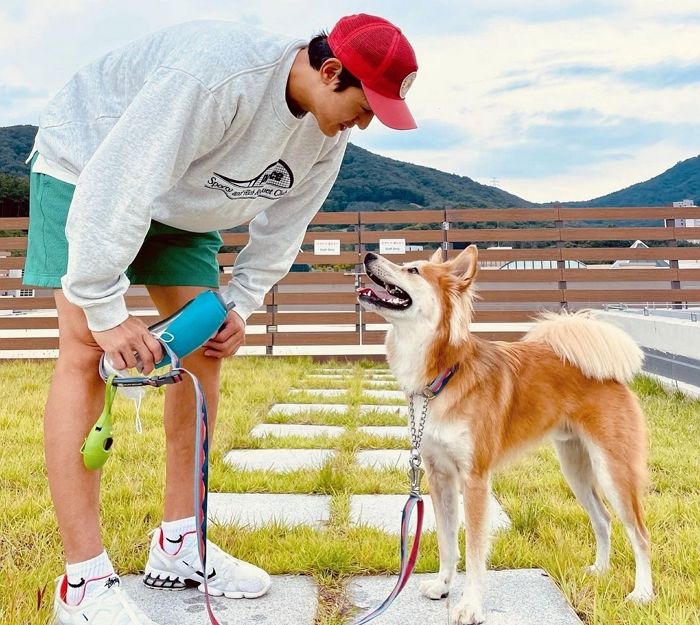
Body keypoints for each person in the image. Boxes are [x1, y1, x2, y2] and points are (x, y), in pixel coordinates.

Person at [23, 12, 418, 625]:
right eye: (366, 107)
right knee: (83, 352)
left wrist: (241, 300)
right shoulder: (217, 76)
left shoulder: (328, 135)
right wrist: (104, 308)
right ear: (331, 71)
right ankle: (83, 581)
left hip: (184, 201)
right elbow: (122, 184)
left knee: (204, 344)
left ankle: (180, 542)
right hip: (91, 168)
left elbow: (285, 225)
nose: (366, 124)